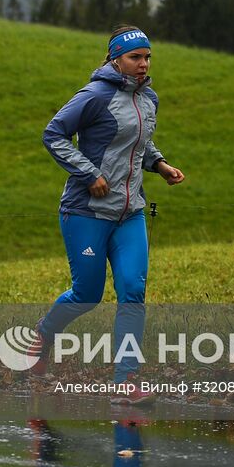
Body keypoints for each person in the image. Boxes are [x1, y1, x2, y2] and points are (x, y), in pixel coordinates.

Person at [36, 26, 184, 403]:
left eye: (147, 57)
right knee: (87, 295)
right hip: (87, 210)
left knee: (133, 291)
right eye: (135, 58)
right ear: (115, 58)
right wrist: (89, 174)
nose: (143, 64)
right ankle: (42, 336)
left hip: (130, 211)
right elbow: (53, 134)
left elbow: (140, 140)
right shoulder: (94, 95)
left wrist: (160, 164)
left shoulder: (148, 98)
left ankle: (126, 380)